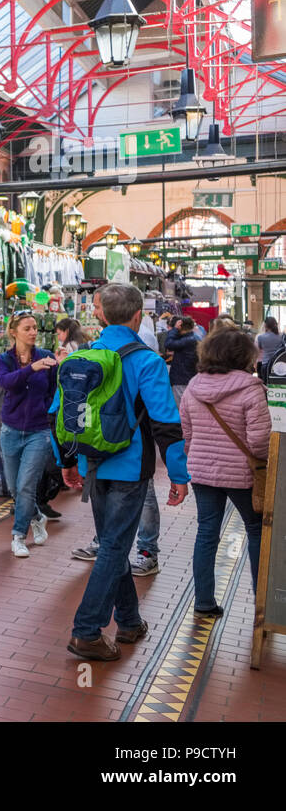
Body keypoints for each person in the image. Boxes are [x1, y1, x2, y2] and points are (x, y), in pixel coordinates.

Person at [55, 283, 190, 661]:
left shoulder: (81, 358)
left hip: (92, 464)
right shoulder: (147, 361)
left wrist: (67, 462)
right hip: (132, 468)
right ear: (137, 317)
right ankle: (87, 631)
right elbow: (166, 423)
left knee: (112, 542)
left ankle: (129, 621)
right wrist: (179, 474)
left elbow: (58, 416)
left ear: (99, 315)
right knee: (115, 546)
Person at [178, 330, 269, 618]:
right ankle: (261, 603)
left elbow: (187, 434)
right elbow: (259, 441)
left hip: (202, 473)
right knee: (256, 531)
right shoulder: (252, 389)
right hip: (242, 474)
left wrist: (197, 458)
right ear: (244, 356)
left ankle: (204, 601)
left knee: (206, 532)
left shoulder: (194, 386)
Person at [0, 312, 57, 557]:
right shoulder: (3, 360)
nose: (33, 332)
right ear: (14, 332)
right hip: (10, 430)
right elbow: (7, 383)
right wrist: (32, 368)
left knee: (26, 486)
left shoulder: (48, 358)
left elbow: (54, 390)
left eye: (35, 328)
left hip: (38, 431)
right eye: (27, 328)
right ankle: (37, 516)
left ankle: (18, 536)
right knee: (14, 488)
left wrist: (48, 411)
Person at [166, 317, 199, 406]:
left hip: (181, 380)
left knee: (181, 409)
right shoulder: (192, 338)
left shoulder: (188, 340)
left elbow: (168, 344)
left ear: (180, 327)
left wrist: (175, 329)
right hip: (187, 378)